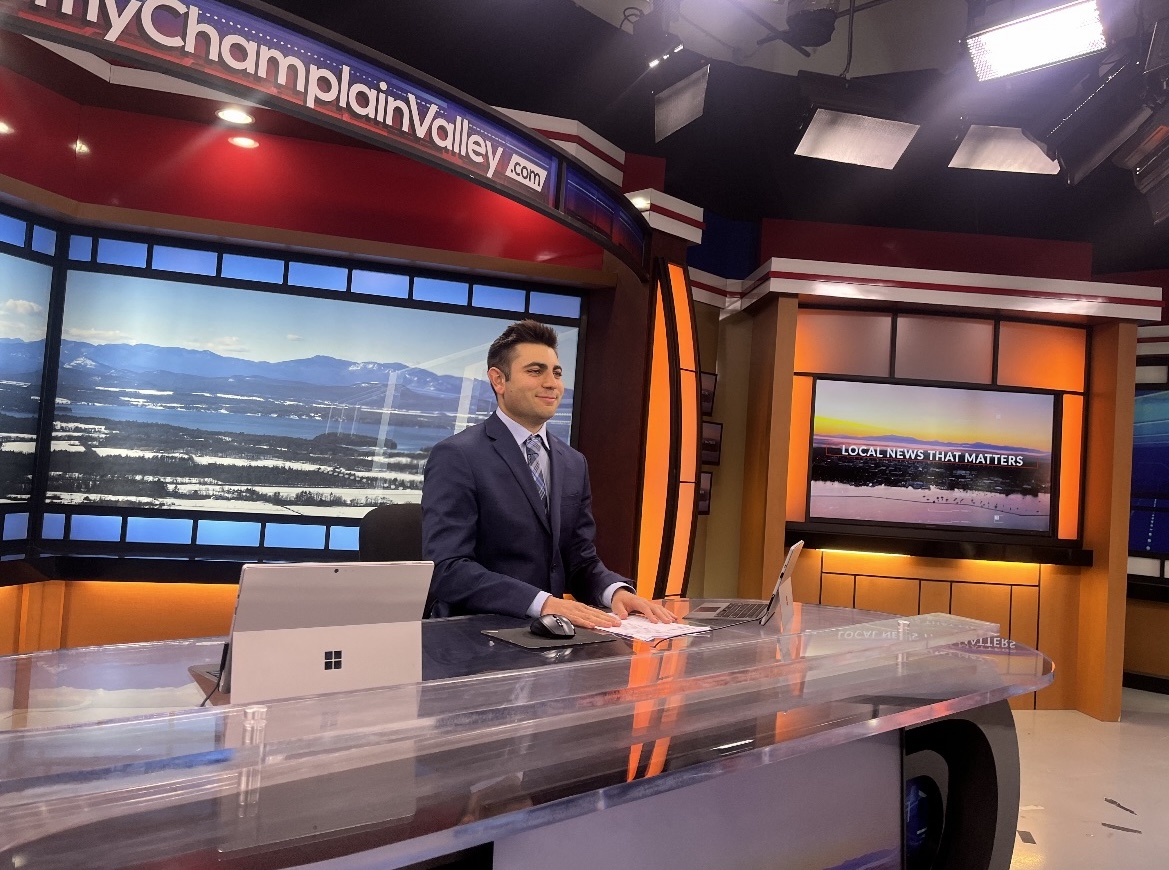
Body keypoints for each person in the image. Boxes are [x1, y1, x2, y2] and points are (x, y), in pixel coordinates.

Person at [421, 319, 675, 629]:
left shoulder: (574, 463)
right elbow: (447, 569)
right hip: (476, 633)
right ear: (498, 380)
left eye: (556, 373)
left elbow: (579, 559)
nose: (552, 383)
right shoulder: (457, 456)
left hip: (551, 634)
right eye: (535, 371)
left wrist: (615, 592)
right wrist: (542, 603)